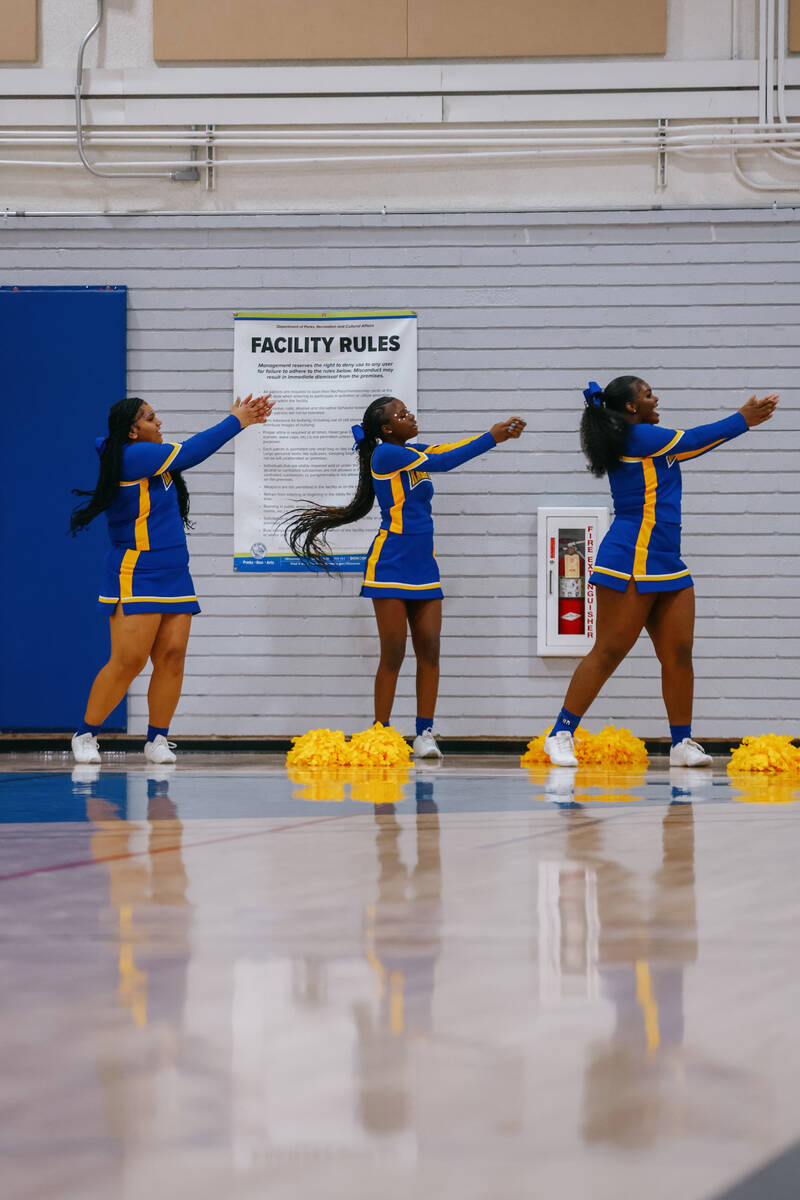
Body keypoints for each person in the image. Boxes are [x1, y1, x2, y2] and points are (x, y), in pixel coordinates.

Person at [544, 377, 778, 768]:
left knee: (679, 654)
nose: (657, 398)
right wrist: (743, 418)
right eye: (649, 394)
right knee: (609, 651)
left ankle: (681, 743)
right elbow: (696, 438)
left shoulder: (648, 440)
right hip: (629, 558)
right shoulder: (639, 438)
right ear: (632, 408)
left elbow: (695, 444)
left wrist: (743, 422)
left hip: (667, 561)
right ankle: (560, 733)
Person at [284, 396, 525, 758]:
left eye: (407, 411)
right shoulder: (387, 455)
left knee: (430, 650)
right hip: (390, 565)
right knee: (393, 654)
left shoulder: (413, 452)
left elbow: (444, 449)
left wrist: (495, 436)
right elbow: (444, 460)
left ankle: (424, 733)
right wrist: (492, 437)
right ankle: (381, 733)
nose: (410, 415)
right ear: (386, 429)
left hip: (424, 567)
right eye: (401, 414)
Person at [70, 392, 273, 764]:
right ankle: (86, 734)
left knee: (172, 657)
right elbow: (194, 451)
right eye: (150, 418)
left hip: (175, 573)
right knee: (129, 660)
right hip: (136, 572)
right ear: (132, 431)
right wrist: (237, 420)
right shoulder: (134, 457)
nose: (158, 422)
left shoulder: (150, 460)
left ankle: (157, 739)